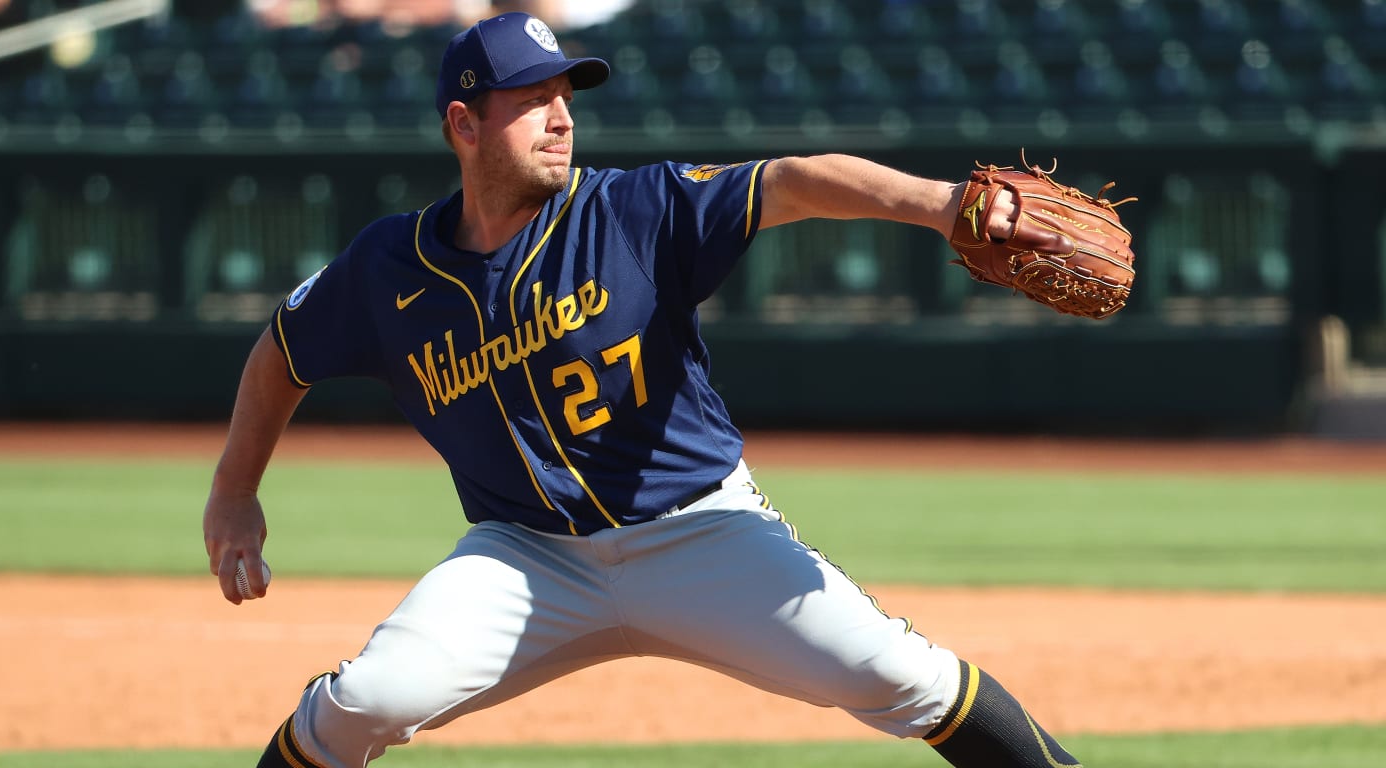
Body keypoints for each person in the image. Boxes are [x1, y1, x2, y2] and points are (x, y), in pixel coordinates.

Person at [202, 11, 1083, 768]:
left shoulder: (632, 210)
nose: (559, 118)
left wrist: (938, 204)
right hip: (524, 557)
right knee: (363, 702)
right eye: (531, 100)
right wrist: (235, 490)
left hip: (700, 533)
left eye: (566, 97)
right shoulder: (389, 267)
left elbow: (793, 182)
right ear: (463, 125)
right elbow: (282, 351)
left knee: (901, 678)